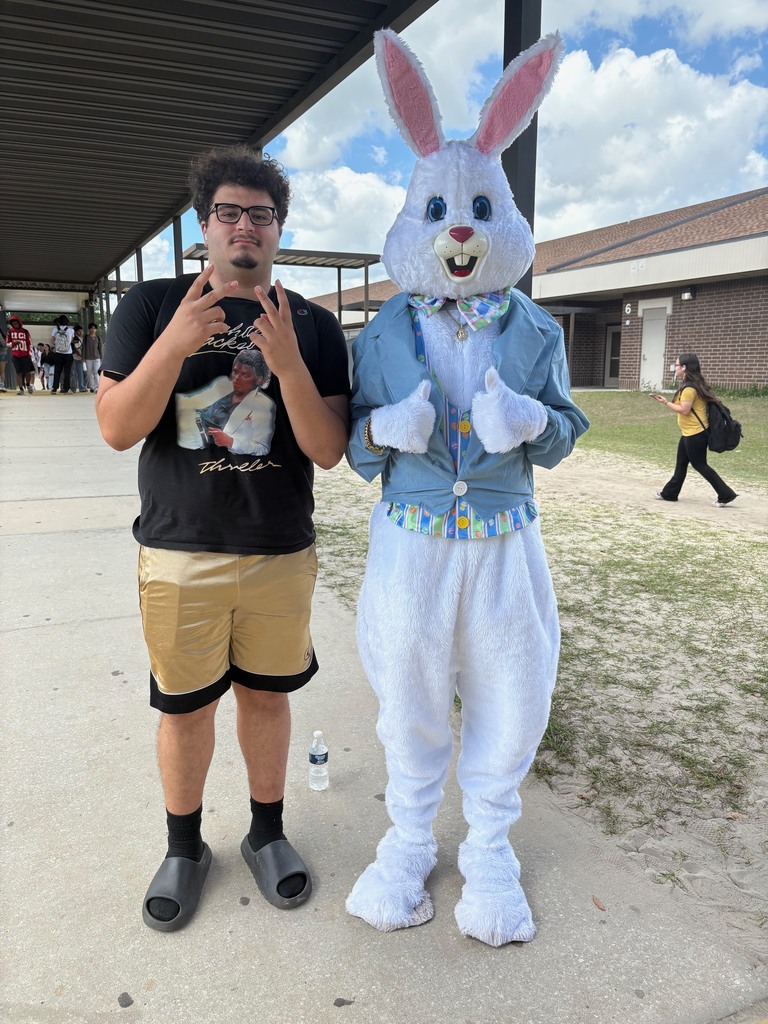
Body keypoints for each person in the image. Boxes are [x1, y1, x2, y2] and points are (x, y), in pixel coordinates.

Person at [96, 144, 350, 933]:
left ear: (279, 230)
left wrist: (288, 365)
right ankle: (185, 847)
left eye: (261, 214)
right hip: (180, 550)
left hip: (278, 548)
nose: (245, 226)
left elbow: (327, 447)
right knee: (183, 710)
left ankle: (268, 833)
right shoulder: (150, 304)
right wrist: (175, 341)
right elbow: (115, 427)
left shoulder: (310, 323)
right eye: (229, 213)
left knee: (266, 699)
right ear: (205, 226)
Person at [653, 352, 737, 507]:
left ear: (684, 368)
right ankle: (669, 493)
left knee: (700, 465)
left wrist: (665, 402)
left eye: (677, 365)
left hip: (695, 433)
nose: (675, 367)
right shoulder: (692, 385)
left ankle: (726, 494)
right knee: (681, 464)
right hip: (688, 432)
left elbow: (684, 410)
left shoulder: (689, 389)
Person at [7, 316, 36, 395]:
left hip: (25, 355)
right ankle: (21, 389)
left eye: (16, 323)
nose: (15, 325)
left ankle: (28, 385)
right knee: (18, 372)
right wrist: (13, 343)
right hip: (15, 355)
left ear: (19, 323)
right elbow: (7, 344)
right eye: (13, 324)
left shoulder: (25, 332)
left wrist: (29, 354)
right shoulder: (10, 332)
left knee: (28, 372)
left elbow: (29, 343)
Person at [50, 315, 74, 394]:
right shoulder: (70, 330)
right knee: (67, 372)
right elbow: (71, 341)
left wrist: (57, 345)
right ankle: (66, 388)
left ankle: (54, 388)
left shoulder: (55, 329)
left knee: (57, 371)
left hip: (58, 353)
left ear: (59, 321)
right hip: (68, 353)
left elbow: (52, 341)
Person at [83, 323, 103, 392]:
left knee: (96, 372)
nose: (92, 329)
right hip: (88, 358)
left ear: (96, 330)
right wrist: (83, 358)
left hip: (97, 358)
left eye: (94, 328)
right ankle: (92, 387)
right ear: (89, 329)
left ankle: (97, 387)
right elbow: (84, 349)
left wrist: (101, 358)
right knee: (89, 373)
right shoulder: (86, 338)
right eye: (91, 328)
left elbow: (100, 348)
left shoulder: (98, 338)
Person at [71, 324, 87, 392]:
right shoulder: (76, 339)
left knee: (84, 373)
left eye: (82, 331)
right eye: (79, 331)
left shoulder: (82, 338)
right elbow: (77, 349)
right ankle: (81, 387)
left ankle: (83, 386)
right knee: (80, 373)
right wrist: (82, 357)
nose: (81, 332)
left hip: (81, 358)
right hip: (77, 358)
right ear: (76, 332)